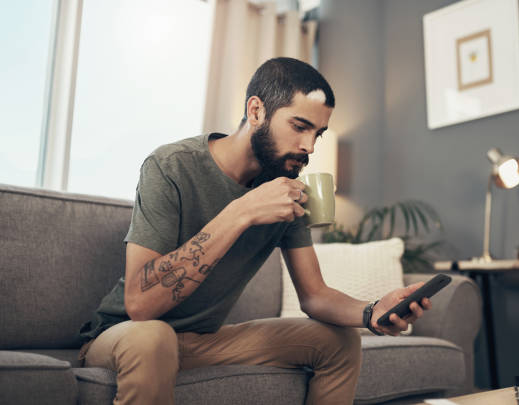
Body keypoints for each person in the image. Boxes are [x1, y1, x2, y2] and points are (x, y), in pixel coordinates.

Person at [78, 57, 432, 405]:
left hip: (201, 341)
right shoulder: (170, 166)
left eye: (317, 134)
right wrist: (242, 211)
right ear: (256, 111)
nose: (309, 147)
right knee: (153, 337)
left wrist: (372, 312)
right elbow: (140, 305)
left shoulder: (286, 190)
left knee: (339, 342)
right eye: (299, 126)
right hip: (127, 336)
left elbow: (315, 295)